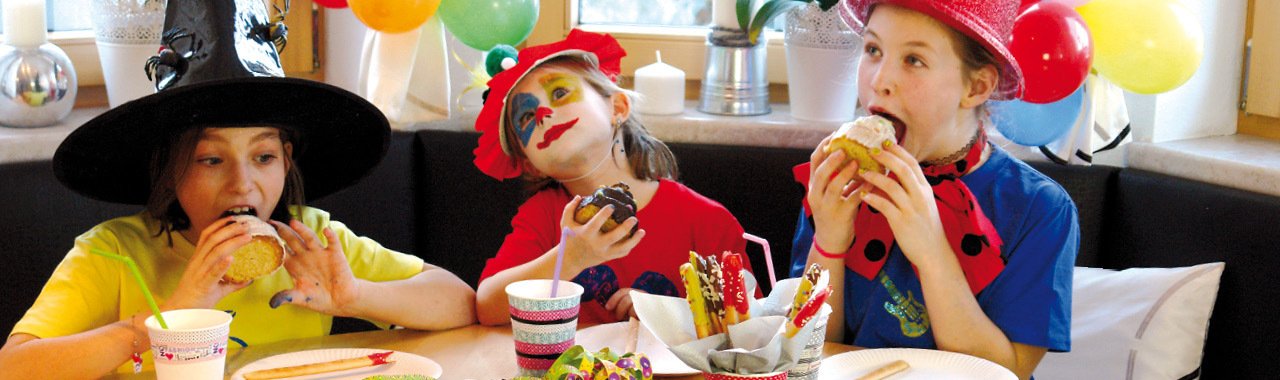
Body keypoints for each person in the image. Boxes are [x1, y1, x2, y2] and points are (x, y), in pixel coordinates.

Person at [0, 2, 474, 377]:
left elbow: (458, 302)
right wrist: (165, 319)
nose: (242, 183)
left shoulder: (309, 240)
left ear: (287, 163)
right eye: (210, 159)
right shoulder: (113, 253)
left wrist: (354, 296)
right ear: (169, 170)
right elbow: (14, 367)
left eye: (264, 158)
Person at [789, 1, 1078, 378]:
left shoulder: (1040, 209)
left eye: (914, 60)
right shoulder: (839, 178)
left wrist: (932, 252)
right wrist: (828, 241)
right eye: (873, 50)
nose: (879, 80)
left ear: (977, 86)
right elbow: (803, 353)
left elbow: (1010, 372)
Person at [472, 30, 749, 326]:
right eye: (525, 117)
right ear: (531, 165)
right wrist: (569, 258)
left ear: (617, 107)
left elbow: (747, 322)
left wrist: (668, 314)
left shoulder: (706, 221)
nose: (542, 113)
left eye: (560, 93)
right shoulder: (543, 216)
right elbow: (487, 307)